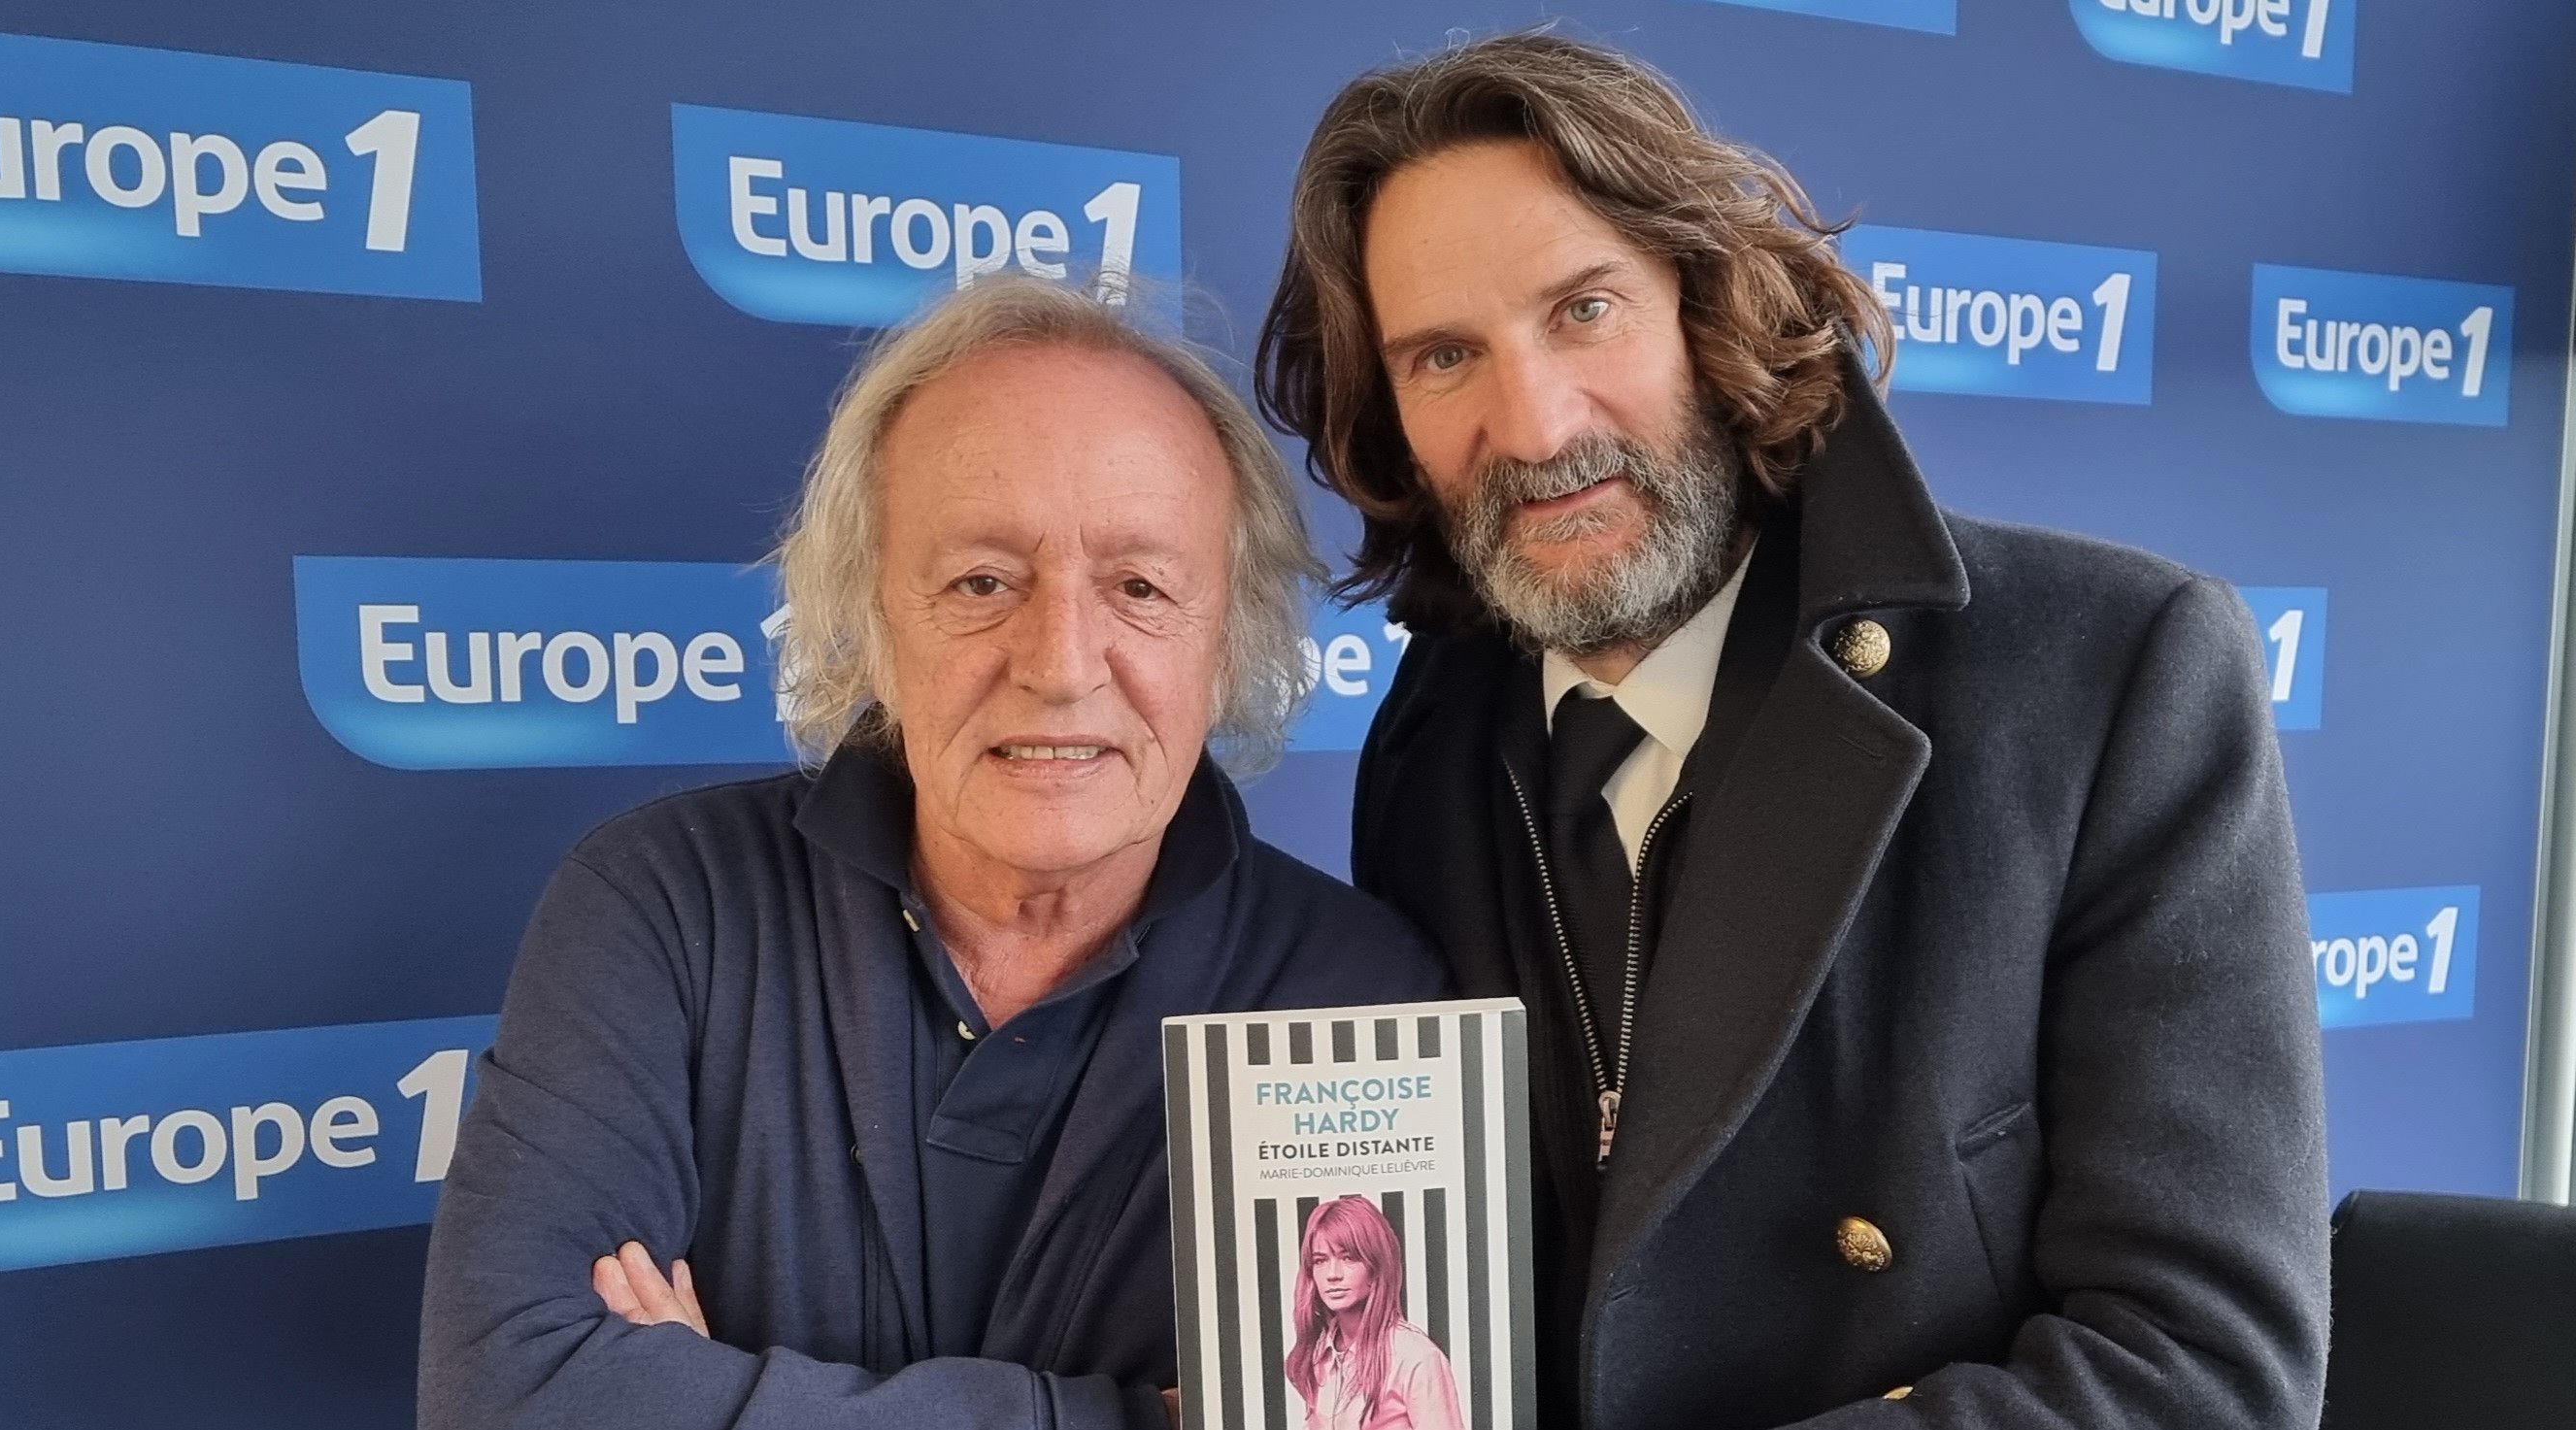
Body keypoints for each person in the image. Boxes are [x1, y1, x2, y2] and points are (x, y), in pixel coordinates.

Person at [1255, 31, 2329, 1430]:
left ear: (1705, 306)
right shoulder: (1430, 742)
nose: (1534, 425)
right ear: (1388, 416)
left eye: (1584, 310)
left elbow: (2204, 1369)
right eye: (1445, 355)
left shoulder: (2117, 672)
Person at [417, 275, 1447, 1430]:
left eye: (1140, 586)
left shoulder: (1359, 1000)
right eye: (982, 581)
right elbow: (514, 1399)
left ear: (1227, 640)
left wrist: (704, 1394)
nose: (1060, 663)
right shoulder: (664, 907)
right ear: (872, 622)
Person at [1285, 1196, 1464, 1430]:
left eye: (1348, 1258)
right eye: (1320, 1261)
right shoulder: (1320, 1355)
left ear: (1376, 1267)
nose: (1333, 1274)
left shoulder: (1416, 1356)